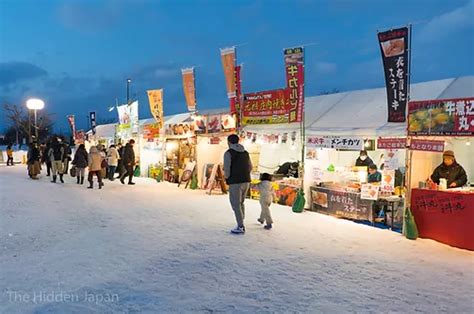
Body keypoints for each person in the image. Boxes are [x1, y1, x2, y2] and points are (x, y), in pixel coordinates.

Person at [223, 134, 252, 234]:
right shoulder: (246, 153)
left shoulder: (228, 153)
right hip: (246, 181)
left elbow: (226, 168)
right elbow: (250, 167)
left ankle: (240, 226)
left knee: (235, 204)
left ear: (229, 142)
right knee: (241, 202)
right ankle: (241, 221)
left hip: (235, 182)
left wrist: (226, 177)